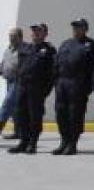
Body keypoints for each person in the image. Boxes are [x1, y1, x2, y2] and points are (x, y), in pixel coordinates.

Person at [53, 18, 94, 155]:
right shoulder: (66, 44)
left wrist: (89, 87)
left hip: (78, 84)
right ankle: (64, 141)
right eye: (74, 27)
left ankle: (72, 143)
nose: (76, 30)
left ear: (85, 29)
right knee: (61, 113)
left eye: (79, 27)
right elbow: (57, 63)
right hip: (62, 83)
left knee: (75, 114)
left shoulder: (91, 45)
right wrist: (56, 82)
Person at [8, 24, 55, 154]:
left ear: (45, 34)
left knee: (35, 116)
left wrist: (45, 91)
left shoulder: (49, 50)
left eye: (39, 31)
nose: (35, 33)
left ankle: (32, 143)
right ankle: (23, 142)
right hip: (22, 86)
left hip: (37, 89)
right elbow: (19, 68)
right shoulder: (25, 48)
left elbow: (51, 73)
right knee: (20, 114)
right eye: (34, 31)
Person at [0, 28, 23, 139]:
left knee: (7, 104)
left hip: (18, 81)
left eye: (14, 36)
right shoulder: (8, 49)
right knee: (14, 108)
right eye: (10, 36)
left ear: (20, 37)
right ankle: (18, 132)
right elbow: (4, 63)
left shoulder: (23, 50)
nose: (11, 38)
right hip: (8, 81)